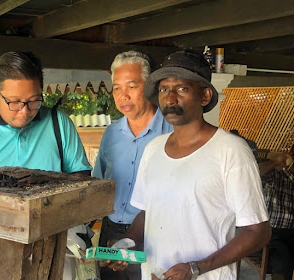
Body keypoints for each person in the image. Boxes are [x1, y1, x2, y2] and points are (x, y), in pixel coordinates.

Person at [104, 50, 271, 280]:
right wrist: (128, 242)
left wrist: (196, 268)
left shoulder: (231, 151)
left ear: (204, 96)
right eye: (164, 90)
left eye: (182, 89)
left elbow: (258, 232)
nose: (170, 99)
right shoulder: (153, 149)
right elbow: (148, 211)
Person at [0, 51, 92, 280]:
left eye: (33, 101)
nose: (24, 111)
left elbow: (81, 180)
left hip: (56, 249)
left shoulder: (58, 124)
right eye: (13, 102)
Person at [93, 50, 173, 280]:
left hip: (155, 234)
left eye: (131, 86)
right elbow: (99, 184)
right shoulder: (111, 133)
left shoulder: (171, 132)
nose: (122, 96)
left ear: (149, 86)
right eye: (117, 88)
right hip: (110, 233)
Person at [257, 147, 293, 280]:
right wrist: (276, 161)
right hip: (273, 233)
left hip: (291, 233)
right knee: (282, 263)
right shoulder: (276, 176)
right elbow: (254, 173)